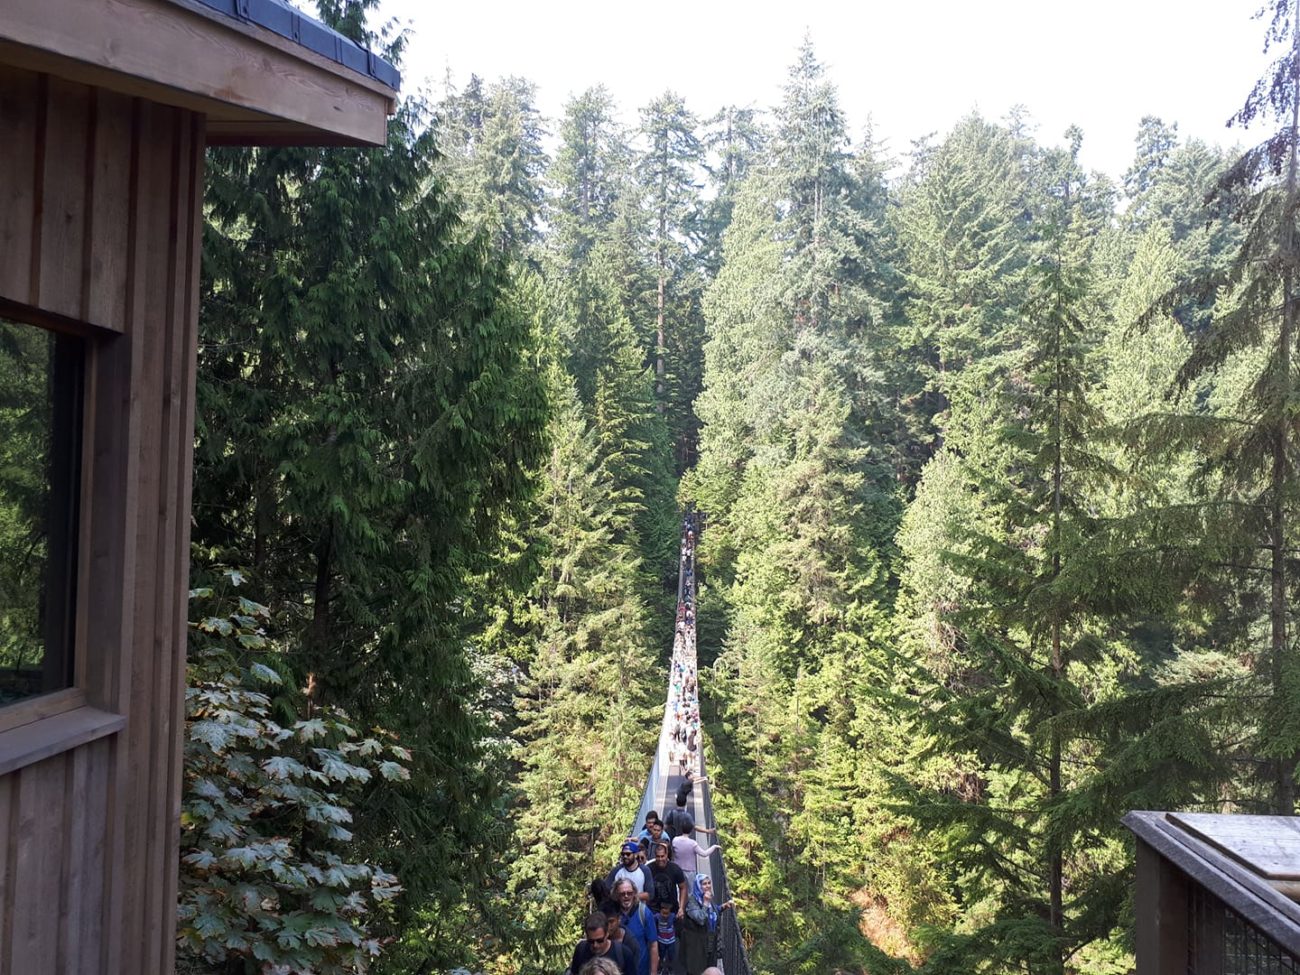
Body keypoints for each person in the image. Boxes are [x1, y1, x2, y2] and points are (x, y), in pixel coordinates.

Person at [681, 875, 733, 975]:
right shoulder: (693, 902)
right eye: (704, 884)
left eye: (709, 883)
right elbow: (700, 919)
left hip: (710, 940)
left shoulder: (707, 896)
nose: (708, 886)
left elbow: (712, 911)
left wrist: (723, 906)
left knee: (709, 965)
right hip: (696, 943)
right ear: (698, 885)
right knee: (696, 969)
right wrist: (705, 902)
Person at [613, 879, 658, 975]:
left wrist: (653, 972)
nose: (626, 896)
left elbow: (653, 945)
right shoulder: (612, 915)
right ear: (617, 895)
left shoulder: (644, 913)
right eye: (622, 894)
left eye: (629, 893)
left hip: (640, 970)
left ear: (634, 894)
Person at [569, 911, 635, 975]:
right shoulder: (581, 950)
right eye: (591, 941)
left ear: (607, 934)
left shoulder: (623, 954)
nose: (595, 945)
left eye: (600, 940)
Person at [648, 841, 688, 921]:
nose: (660, 859)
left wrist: (681, 907)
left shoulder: (675, 869)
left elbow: (683, 887)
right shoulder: (649, 869)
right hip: (653, 909)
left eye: (662, 856)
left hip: (671, 909)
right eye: (658, 856)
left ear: (666, 855)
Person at [651, 897, 678, 975]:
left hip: (671, 941)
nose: (665, 916)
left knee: (671, 956)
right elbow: (651, 917)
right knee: (661, 955)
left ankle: (670, 968)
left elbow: (678, 917)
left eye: (667, 913)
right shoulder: (657, 916)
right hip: (661, 940)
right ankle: (660, 967)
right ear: (660, 911)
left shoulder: (672, 916)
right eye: (663, 913)